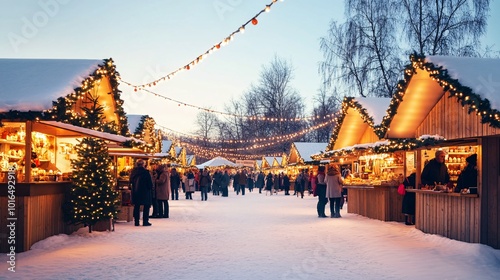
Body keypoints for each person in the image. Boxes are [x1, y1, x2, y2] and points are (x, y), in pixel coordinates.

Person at [130, 159, 153, 226]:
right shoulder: (146, 172)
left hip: (136, 191)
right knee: (146, 206)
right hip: (145, 192)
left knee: (136, 206)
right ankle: (145, 221)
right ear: (143, 164)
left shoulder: (133, 172)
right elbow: (149, 183)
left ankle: (136, 221)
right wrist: (150, 188)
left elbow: (130, 181)